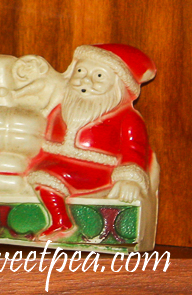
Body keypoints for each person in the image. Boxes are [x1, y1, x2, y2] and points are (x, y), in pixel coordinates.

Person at [26, 44, 156, 241]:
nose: (85, 80)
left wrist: (129, 179)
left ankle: (61, 222)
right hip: (56, 163)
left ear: (118, 85)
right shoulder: (61, 110)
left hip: (98, 173)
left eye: (99, 76)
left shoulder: (127, 118)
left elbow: (134, 150)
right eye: (80, 71)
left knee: (45, 176)